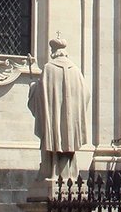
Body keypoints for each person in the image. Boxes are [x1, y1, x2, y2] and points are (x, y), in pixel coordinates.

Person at [27, 37, 89, 181]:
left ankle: (53, 173)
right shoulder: (75, 70)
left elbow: (39, 95)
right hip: (71, 123)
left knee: (54, 141)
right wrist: (75, 112)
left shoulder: (49, 68)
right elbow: (86, 94)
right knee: (68, 144)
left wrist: (32, 86)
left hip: (54, 121)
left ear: (53, 51)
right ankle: (69, 174)